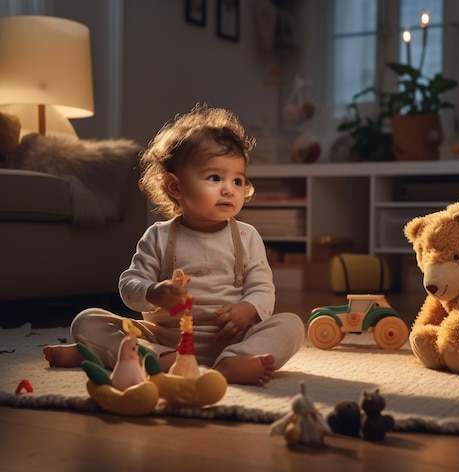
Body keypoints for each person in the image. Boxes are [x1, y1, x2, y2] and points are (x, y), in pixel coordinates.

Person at [44, 104, 305, 386]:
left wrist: (248, 310)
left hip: (232, 339)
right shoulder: (159, 236)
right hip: (166, 339)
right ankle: (162, 361)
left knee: (292, 325)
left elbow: (262, 287)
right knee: (87, 321)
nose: (229, 188)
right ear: (175, 186)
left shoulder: (246, 236)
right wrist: (154, 292)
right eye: (214, 177)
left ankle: (231, 362)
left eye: (238, 180)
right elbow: (129, 284)